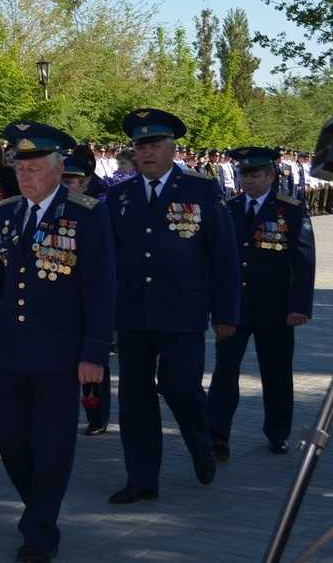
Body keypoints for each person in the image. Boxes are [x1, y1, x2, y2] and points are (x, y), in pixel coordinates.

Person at [0, 121, 115, 563]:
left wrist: (94, 352)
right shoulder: (5, 213)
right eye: (20, 168)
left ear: (58, 169)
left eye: (35, 169)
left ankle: (40, 530)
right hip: (13, 351)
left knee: (53, 445)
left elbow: (100, 288)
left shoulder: (86, 214)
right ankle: (38, 508)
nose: (26, 176)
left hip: (61, 354)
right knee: (10, 439)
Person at [106, 109, 239, 505]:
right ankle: (142, 478)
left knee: (180, 389)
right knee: (135, 398)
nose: (146, 154)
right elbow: (107, 257)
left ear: (171, 148)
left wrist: (227, 313)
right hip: (132, 314)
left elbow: (224, 256)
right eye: (139, 147)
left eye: (154, 146)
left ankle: (201, 445)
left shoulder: (200, 190)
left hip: (183, 311)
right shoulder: (121, 196)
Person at [208, 147, 316, 459]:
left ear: (270, 175)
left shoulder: (290, 208)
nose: (249, 181)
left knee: (276, 372)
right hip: (234, 307)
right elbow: (215, 259)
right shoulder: (228, 208)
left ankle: (278, 433)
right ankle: (217, 436)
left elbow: (304, 260)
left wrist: (300, 306)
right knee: (225, 371)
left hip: (276, 308)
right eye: (244, 174)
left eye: (255, 174)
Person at [61, 153, 113, 436]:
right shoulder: (51, 209)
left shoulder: (95, 211)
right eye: (62, 179)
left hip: (88, 300)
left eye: (72, 181)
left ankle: (98, 414)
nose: (66, 185)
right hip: (61, 301)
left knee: (93, 359)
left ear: (85, 182)